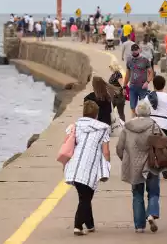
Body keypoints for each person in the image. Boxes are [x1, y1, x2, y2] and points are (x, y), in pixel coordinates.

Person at [116, 100, 164, 233]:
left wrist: (125, 159)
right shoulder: (154, 125)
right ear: (149, 112)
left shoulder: (127, 127)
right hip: (151, 164)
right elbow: (163, 142)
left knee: (137, 194)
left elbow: (119, 147)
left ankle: (139, 226)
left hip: (134, 165)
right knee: (153, 192)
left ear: (136, 112)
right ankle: (151, 214)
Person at [64, 101, 111, 236]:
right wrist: (107, 165)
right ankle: (78, 226)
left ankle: (90, 224)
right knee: (86, 198)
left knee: (84, 196)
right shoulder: (103, 128)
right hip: (90, 166)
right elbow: (106, 151)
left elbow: (67, 144)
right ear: (96, 114)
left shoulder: (74, 126)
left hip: (74, 165)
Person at [144, 75, 167, 179]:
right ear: (164, 85)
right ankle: (165, 167)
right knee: (165, 147)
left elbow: (144, 112)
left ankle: (151, 167)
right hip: (165, 125)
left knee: (151, 147)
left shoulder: (148, 97)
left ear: (154, 85)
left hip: (151, 124)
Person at [123, 43, 154, 117]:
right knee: (132, 107)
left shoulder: (145, 60)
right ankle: (135, 121)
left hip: (142, 87)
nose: (134, 52)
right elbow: (127, 74)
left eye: (136, 50)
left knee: (143, 107)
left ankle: (142, 121)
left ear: (139, 50)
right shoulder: (129, 60)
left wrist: (147, 82)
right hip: (132, 87)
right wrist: (124, 86)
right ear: (131, 51)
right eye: (133, 50)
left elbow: (151, 73)